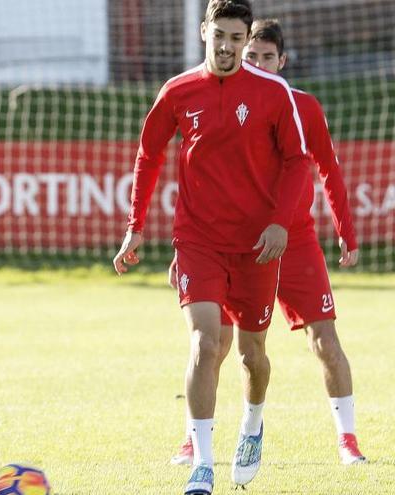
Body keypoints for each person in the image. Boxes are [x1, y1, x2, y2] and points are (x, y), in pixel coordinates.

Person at [112, 1, 313, 493]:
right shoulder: (178, 91)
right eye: (218, 34)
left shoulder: (272, 92)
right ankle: (202, 462)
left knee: (251, 355)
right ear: (204, 31)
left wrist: (280, 223)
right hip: (198, 239)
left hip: (257, 245)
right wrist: (135, 225)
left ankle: (252, 423)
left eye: (236, 38)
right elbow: (149, 153)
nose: (226, 46)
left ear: (247, 41)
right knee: (205, 342)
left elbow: (296, 161)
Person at [168, 18, 365, 468]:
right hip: (233, 243)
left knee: (325, 339)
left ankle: (348, 440)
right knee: (213, 343)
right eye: (250, 54)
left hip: (292, 240)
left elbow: (326, 170)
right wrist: (188, 249)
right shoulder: (219, 101)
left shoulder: (302, 107)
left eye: (265, 57)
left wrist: (345, 232)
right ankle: (194, 439)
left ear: (283, 61)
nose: (255, 63)